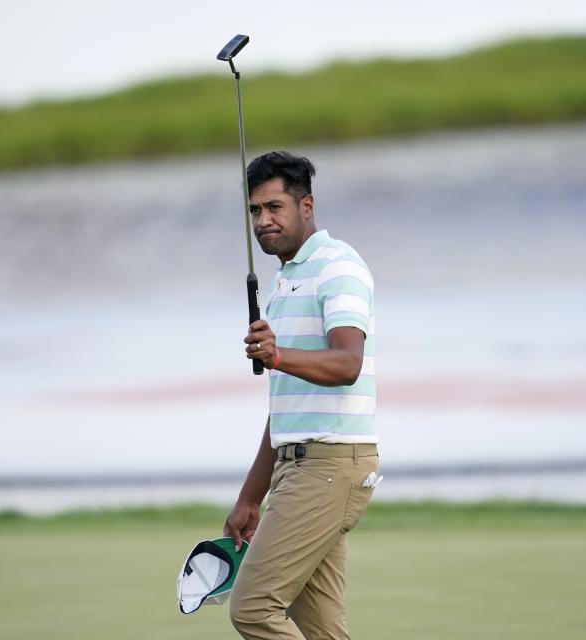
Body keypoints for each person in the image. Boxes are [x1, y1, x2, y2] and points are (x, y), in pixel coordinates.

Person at [224, 150, 379, 640]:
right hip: (300, 465)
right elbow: (286, 407)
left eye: (275, 207)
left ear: (306, 206)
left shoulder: (338, 267)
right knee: (323, 631)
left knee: (252, 608)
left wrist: (278, 355)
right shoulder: (285, 280)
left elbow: (347, 364)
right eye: (255, 211)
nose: (263, 220)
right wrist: (251, 497)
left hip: (330, 466)